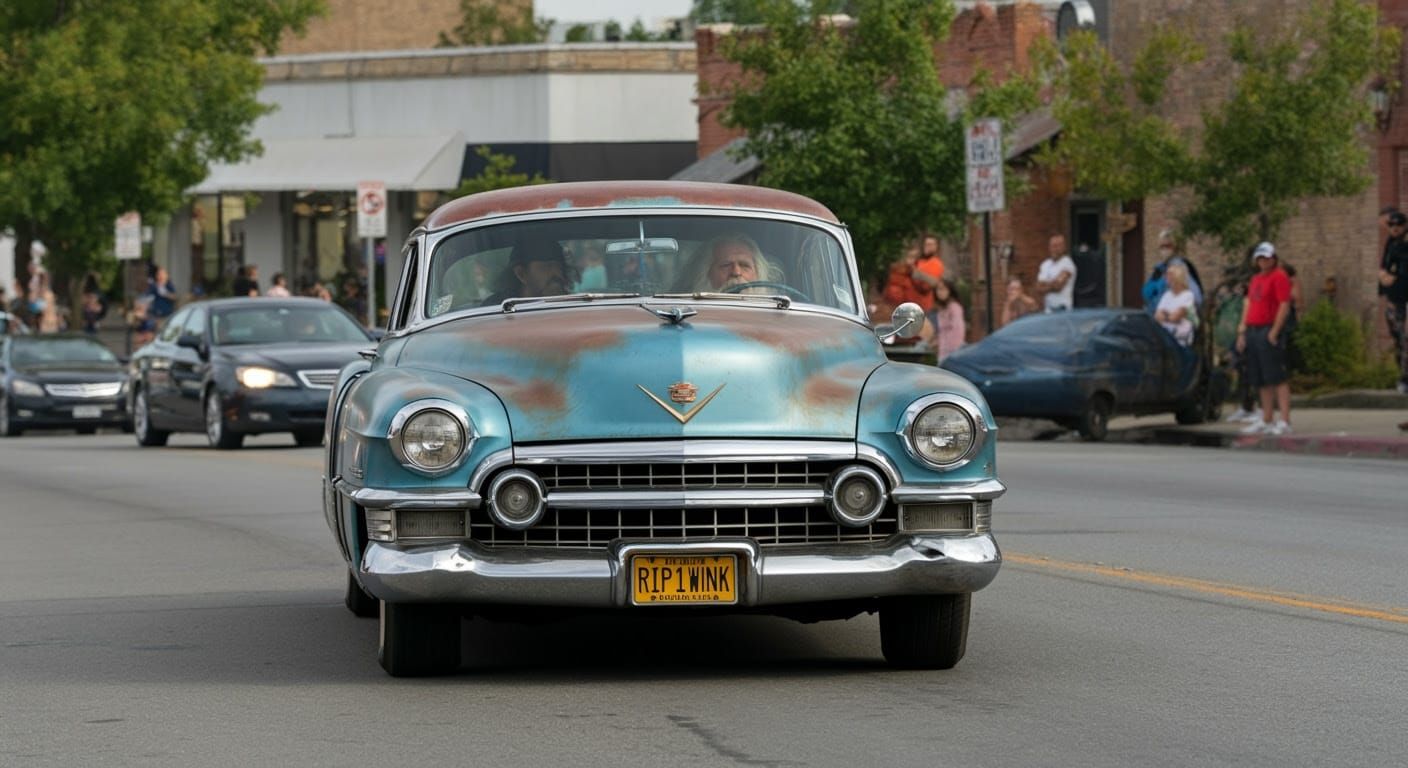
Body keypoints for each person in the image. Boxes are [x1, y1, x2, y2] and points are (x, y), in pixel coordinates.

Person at [1236, 241, 1294, 435]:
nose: (1263, 261)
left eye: (1267, 257)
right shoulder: (1255, 279)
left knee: (1277, 375)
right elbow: (1250, 304)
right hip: (1254, 329)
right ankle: (1266, 417)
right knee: (1260, 378)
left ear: (1274, 258)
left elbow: (1284, 304)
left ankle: (1284, 420)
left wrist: (1275, 331)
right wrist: (1243, 331)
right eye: (1260, 258)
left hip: (1268, 328)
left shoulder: (1279, 277)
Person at [482, 234, 572, 305]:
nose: (555, 272)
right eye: (545, 267)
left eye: (558, 266)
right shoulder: (496, 311)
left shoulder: (575, 305)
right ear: (521, 274)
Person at [681, 233, 782, 293]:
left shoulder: (776, 317)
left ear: (758, 273)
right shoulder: (689, 316)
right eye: (726, 265)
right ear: (707, 274)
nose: (736, 272)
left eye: (744, 265)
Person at [1142, 229, 1204, 313]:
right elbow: (1147, 293)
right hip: (1155, 317)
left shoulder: (1179, 266)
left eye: (1168, 246)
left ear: (1175, 247)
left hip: (1172, 320)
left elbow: (1195, 297)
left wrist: (1179, 312)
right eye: (1162, 246)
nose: (1164, 249)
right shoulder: (1159, 268)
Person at [1380, 217, 1408, 393]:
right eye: (1391, 225)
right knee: (1398, 338)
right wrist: (1382, 275)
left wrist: (1394, 276)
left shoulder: (1405, 245)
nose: (1395, 228)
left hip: (1405, 297)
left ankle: (1405, 378)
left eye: (1399, 225)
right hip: (1394, 299)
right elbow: (1384, 266)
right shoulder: (1390, 242)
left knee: (1405, 340)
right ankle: (1403, 376)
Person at [1154, 262, 1197, 346]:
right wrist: (1170, 315)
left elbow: (1176, 317)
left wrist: (1165, 314)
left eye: (1170, 275)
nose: (1166, 278)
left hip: (1181, 340)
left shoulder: (1188, 295)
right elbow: (1156, 316)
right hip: (1166, 337)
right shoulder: (1167, 295)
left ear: (1177, 277)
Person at [1036, 234, 1077, 312]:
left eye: (1058, 246)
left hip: (1063, 308)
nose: (1055, 249)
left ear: (1064, 247)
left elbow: (1058, 287)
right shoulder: (1045, 264)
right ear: (1049, 247)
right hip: (1048, 309)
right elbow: (1038, 287)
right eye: (1053, 246)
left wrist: (1045, 284)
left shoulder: (1068, 264)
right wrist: (1053, 283)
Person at [933, 277, 966, 362]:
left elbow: (958, 330)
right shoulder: (941, 309)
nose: (939, 292)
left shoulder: (954, 307)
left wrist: (952, 351)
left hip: (953, 352)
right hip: (942, 351)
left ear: (950, 291)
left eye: (942, 289)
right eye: (938, 289)